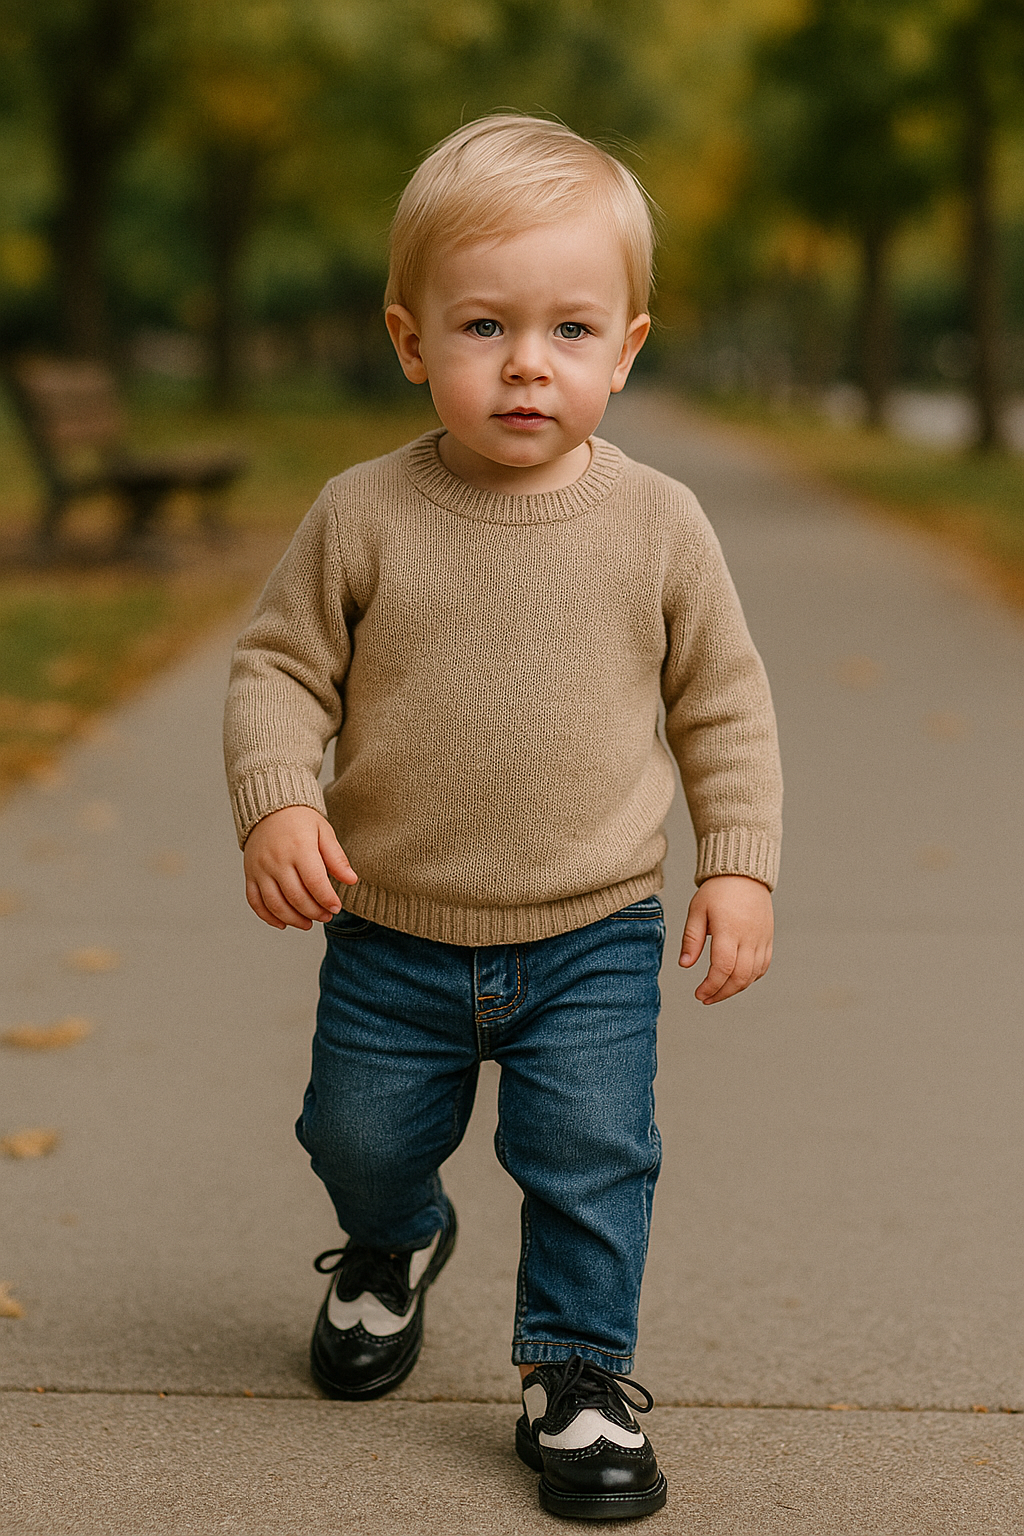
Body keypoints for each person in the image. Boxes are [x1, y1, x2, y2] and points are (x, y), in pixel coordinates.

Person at [223, 113, 782, 1522]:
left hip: (594, 929)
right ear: (412, 340)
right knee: (353, 1135)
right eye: (485, 324)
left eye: (571, 329)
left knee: (593, 1159)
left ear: (628, 346)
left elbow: (723, 702)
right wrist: (279, 798)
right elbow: (279, 669)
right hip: (392, 928)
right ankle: (393, 1239)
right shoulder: (363, 514)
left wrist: (741, 868)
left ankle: (579, 1381)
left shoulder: (659, 524)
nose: (529, 362)